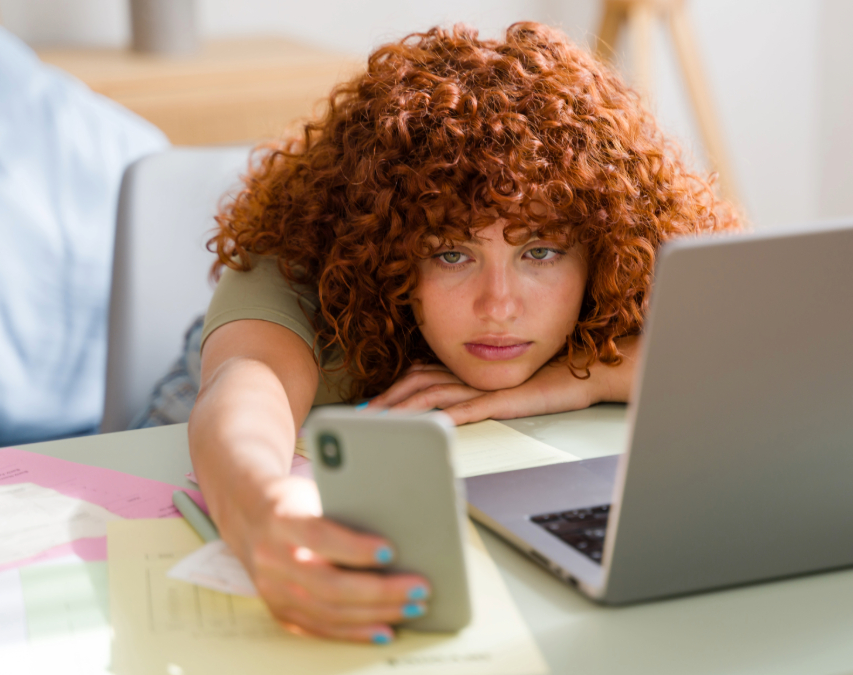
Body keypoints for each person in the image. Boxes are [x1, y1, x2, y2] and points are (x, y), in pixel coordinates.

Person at [188, 22, 741, 643]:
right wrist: (262, 512)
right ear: (386, 248)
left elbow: (754, 355)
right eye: (452, 254)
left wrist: (572, 381)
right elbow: (241, 395)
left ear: (602, 247)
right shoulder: (303, 271)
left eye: (541, 252)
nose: (499, 306)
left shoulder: (625, 274)